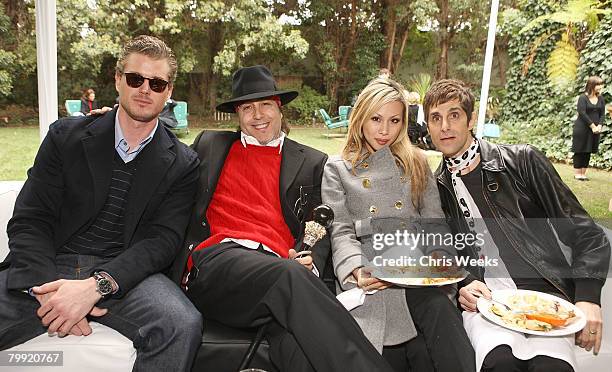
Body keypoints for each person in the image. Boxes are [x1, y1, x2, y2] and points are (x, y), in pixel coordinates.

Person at [169, 65, 395, 372]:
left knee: (298, 348)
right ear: (238, 114)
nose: (257, 115)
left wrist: (310, 260)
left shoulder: (312, 162)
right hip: (217, 264)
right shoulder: (211, 144)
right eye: (247, 108)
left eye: (265, 105)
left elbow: (322, 225)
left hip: (278, 277)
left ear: (279, 108)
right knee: (287, 276)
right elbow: (162, 158)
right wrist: (118, 120)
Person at [0, 35, 203, 372]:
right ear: (118, 79)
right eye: (135, 79)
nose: (145, 89)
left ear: (168, 92)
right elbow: (31, 218)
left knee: (181, 323)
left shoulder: (183, 163)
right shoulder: (65, 137)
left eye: (157, 83)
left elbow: (163, 241)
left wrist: (97, 287)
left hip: (124, 272)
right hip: (52, 263)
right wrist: (51, 295)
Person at [423, 79, 611, 372]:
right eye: (436, 118)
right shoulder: (435, 188)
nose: (445, 126)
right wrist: (463, 282)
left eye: (454, 115)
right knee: (500, 364)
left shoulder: (523, 161)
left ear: (471, 119)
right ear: (428, 126)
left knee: (551, 368)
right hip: (486, 303)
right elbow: (442, 250)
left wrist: (588, 298)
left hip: (544, 294)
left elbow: (585, 232)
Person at [321, 77, 475, 372]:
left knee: (443, 330)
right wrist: (355, 268)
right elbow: (339, 229)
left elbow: (434, 224)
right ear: (361, 117)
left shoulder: (416, 161)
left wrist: (439, 257)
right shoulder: (338, 167)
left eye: (394, 120)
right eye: (376, 119)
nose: (384, 130)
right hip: (370, 278)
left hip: (417, 274)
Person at [572, 76, 605, 180]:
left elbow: (602, 114)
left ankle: (583, 174)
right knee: (580, 150)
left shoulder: (601, 98)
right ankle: (577, 174)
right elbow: (582, 113)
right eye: (598, 85)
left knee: (588, 150)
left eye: (601, 84)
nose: (600, 87)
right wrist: (592, 126)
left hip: (595, 130)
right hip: (582, 128)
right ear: (591, 85)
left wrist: (599, 125)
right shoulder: (583, 97)